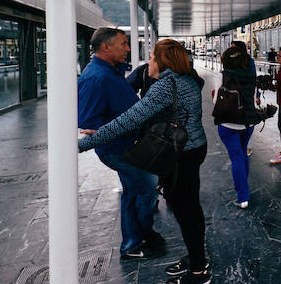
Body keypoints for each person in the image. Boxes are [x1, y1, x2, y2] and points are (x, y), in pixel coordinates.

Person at [79, 39, 211, 284]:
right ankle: (197, 257)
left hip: (180, 154)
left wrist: (83, 144)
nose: (148, 61)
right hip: (194, 148)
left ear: (163, 61)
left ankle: (198, 271)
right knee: (190, 207)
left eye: (151, 57)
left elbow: (130, 120)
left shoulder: (166, 85)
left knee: (186, 210)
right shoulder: (188, 79)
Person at [77, 27, 165, 260]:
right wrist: (126, 124)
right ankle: (139, 238)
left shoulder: (111, 71)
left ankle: (133, 242)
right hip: (118, 149)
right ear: (106, 47)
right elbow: (88, 121)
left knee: (134, 191)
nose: (128, 49)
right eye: (124, 44)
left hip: (128, 146)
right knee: (147, 189)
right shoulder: (96, 77)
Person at [215, 42, 257, 208]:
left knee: (236, 158)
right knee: (242, 154)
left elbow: (215, 100)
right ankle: (243, 186)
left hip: (228, 125)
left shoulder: (223, 76)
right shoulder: (251, 76)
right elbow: (253, 99)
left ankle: (243, 196)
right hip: (248, 123)